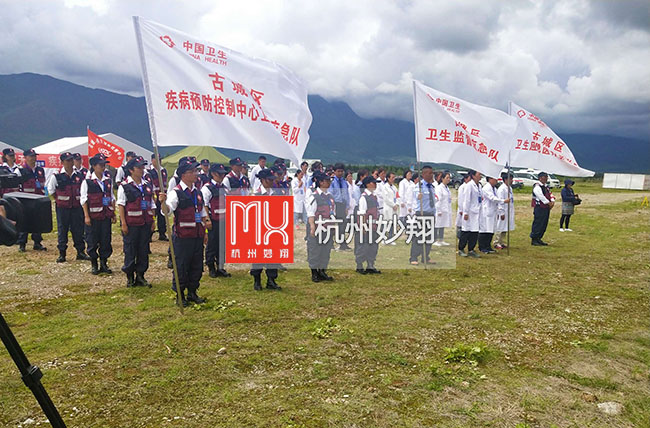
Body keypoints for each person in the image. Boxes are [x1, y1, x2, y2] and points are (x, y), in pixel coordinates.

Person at [163, 158, 210, 305]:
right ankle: (180, 295)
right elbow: (168, 210)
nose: (197, 174)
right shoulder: (176, 193)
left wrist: (205, 231)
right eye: (193, 171)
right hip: (183, 237)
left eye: (197, 171)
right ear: (184, 174)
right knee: (182, 266)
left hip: (197, 235)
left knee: (196, 266)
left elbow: (202, 213)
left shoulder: (197, 192)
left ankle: (192, 292)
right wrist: (163, 204)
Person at [117, 156, 156, 288]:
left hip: (145, 222)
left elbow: (151, 204)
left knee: (143, 249)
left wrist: (153, 220)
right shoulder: (125, 186)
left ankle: (141, 275)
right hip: (131, 223)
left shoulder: (147, 185)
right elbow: (121, 205)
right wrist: (123, 223)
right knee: (130, 249)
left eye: (142, 167)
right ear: (131, 170)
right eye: (139, 167)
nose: (142, 170)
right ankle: (130, 276)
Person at [47, 152, 89, 263]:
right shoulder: (57, 176)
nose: (70, 162)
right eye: (67, 160)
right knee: (62, 230)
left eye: (71, 160)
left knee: (78, 230)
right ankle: (62, 253)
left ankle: (80, 252)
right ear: (62, 162)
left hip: (76, 207)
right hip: (63, 208)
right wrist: (60, 200)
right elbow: (51, 191)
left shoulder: (79, 176)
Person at [81, 154, 115, 275]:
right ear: (94, 166)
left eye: (104, 164)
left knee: (106, 240)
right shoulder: (88, 182)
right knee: (92, 240)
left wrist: (113, 213)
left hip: (105, 215)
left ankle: (104, 263)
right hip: (93, 217)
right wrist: (86, 216)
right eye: (100, 165)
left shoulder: (108, 181)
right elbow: (84, 200)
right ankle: (94, 264)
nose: (103, 167)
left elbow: (111, 197)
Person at [249, 168, 282, 290]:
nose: (271, 182)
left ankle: (271, 280)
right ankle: (257, 280)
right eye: (269, 180)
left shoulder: (276, 193)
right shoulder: (256, 194)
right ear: (262, 180)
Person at [201, 163, 231, 278]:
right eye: (220, 173)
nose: (222, 176)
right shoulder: (207, 188)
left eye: (223, 173)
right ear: (213, 174)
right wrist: (207, 220)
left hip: (224, 220)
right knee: (212, 245)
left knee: (222, 245)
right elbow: (205, 205)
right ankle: (211, 267)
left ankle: (220, 267)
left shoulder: (224, 188)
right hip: (213, 221)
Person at [306, 172, 336, 282]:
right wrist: (312, 227)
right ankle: (314, 273)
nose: (329, 183)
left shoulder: (330, 197)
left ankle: (322, 271)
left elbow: (333, 212)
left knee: (326, 250)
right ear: (320, 182)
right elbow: (311, 213)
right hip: (317, 227)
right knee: (315, 250)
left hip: (328, 227)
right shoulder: (314, 196)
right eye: (326, 181)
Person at [17, 148, 47, 252]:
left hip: (38, 199)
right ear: (25, 158)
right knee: (24, 222)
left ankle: (37, 242)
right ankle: (22, 243)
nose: (33, 158)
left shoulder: (40, 170)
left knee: (38, 221)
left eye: (34, 156)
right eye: (30, 156)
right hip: (25, 200)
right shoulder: (20, 170)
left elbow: (43, 184)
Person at [409, 166, 436, 265]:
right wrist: (418, 196)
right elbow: (415, 196)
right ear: (423, 174)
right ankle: (413, 257)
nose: (431, 175)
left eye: (432, 173)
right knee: (418, 237)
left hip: (430, 214)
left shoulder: (432, 187)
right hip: (421, 214)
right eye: (429, 173)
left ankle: (426, 257)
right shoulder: (419, 186)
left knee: (429, 237)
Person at [355, 176, 382, 274]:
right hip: (366, 226)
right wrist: (363, 226)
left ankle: (370, 265)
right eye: (373, 182)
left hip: (374, 226)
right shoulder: (364, 197)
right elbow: (362, 213)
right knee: (363, 246)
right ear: (367, 184)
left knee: (373, 246)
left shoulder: (374, 196)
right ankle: (359, 265)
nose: (375, 184)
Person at [479, 176, 509, 254]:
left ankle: (488, 246)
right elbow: (492, 198)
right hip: (486, 212)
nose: (496, 180)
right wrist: (503, 201)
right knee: (485, 230)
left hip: (493, 212)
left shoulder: (494, 189)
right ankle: (482, 247)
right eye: (494, 179)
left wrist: (500, 211)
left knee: (491, 230)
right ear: (489, 179)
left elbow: (496, 200)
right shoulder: (486, 188)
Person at [145, 154, 169, 241]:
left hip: (162, 195)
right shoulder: (148, 171)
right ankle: (150, 234)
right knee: (152, 214)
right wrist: (153, 196)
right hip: (154, 195)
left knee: (162, 215)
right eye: (157, 159)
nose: (159, 161)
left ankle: (162, 233)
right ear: (152, 160)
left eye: (160, 159)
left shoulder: (163, 170)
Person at [458, 170, 482, 258]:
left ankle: (471, 249)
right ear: (473, 176)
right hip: (470, 212)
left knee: (474, 232)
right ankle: (461, 248)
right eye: (479, 174)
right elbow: (466, 200)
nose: (480, 176)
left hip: (477, 212)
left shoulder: (479, 186)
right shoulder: (469, 186)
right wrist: (466, 212)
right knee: (466, 231)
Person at [330, 163, 351, 251]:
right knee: (332, 225)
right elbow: (330, 194)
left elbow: (347, 194)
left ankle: (342, 243)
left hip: (343, 204)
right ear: (334, 172)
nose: (340, 173)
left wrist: (347, 206)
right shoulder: (332, 182)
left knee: (342, 225)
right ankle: (330, 243)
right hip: (335, 204)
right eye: (338, 171)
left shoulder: (344, 182)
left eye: (341, 171)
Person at [530, 171, 555, 246]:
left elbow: (550, 194)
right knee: (538, 223)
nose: (546, 179)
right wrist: (548, 202)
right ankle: (534, 238)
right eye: (544, 177)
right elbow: (540, 196)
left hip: (545, 207)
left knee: (544, 223)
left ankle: (539, 238)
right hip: (539, 207)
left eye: (547, 177)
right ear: (540, 178)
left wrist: (552, 201)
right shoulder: (537, 186)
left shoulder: (546, 186)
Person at [495, 173, 515, 249]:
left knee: (505, 227)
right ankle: (496, 242)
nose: (512, 181)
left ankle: (501, 241)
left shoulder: (509, 188)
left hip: (508, 210)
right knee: (500, 227)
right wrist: (501, 212)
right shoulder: (502, 189)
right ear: (506, 180)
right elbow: (500, 201)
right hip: (503, 210)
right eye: (510, 179)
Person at [434, 171, 452, 246]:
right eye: (447, 178)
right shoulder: (439, 188)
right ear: (442, 178)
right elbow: (438, 200)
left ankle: (441, 240)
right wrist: (438, 210)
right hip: (440, 209)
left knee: (442, 225)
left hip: (445, 209)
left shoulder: (447, 188)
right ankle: (435, 240)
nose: (448, 179)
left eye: (449, 178)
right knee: (437, 224)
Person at [382, 172, 399, 244]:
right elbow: (386, 199)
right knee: (386, 223)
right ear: (388, 178)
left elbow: (398, 196)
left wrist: (397, 204)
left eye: (394, 177)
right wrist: (393, 205)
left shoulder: (394, 187)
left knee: (392, 223)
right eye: (392, 177)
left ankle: (390, 238)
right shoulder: (385, 187)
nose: (393, 179)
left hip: (394, 208)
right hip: (388, 207)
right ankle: (384, 238)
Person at [455, 173, 471, 240]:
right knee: (461, 225)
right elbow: (460, 199)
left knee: (466, 225)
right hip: (462, 209)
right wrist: (461, 210)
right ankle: (459, 237)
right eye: (469, 179)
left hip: (468, 209)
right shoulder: (462, 187)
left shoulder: (470, 187)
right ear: (465, 179)